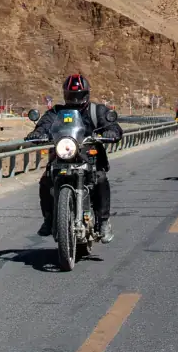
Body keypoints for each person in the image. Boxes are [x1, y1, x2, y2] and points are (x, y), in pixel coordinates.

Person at [30, 72, 121, 243]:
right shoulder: (57, 112)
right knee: (45, 181)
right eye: (71, 95)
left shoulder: (96, 111)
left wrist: (111, 131)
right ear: (65, 95)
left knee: (100, 179)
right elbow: (45, 124)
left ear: (86, 94)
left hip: (90, 157)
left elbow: (112, 125)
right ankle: (49, 219)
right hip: (64, 154)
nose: (75, 99)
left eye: (78, 95)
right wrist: (38, 132)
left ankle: (103, 222)